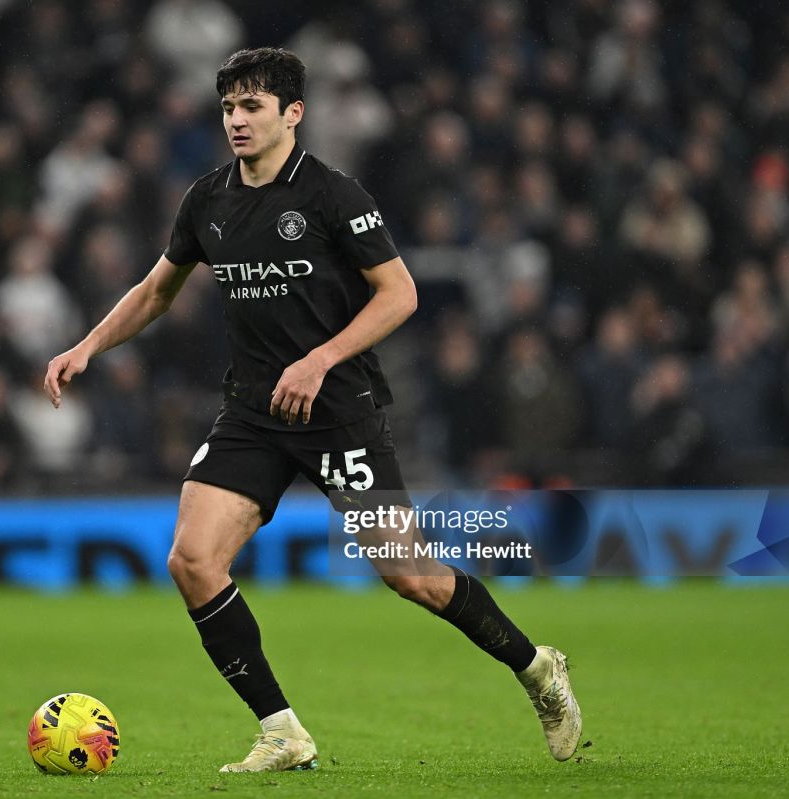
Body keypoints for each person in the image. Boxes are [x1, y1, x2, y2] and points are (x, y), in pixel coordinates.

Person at [44, 47, 581, 773]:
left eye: (252, 106)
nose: (236, 120)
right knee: (192, 560)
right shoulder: (207, 199)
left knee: (412, 576)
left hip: (339, 412)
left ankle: (537, 667)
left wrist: (320, 358)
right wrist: (87, 346)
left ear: (292, 113)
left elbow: (400, 294)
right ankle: (282, 731)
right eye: (228, 107)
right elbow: (156, 291)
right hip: (253, 413)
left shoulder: (333, 196)